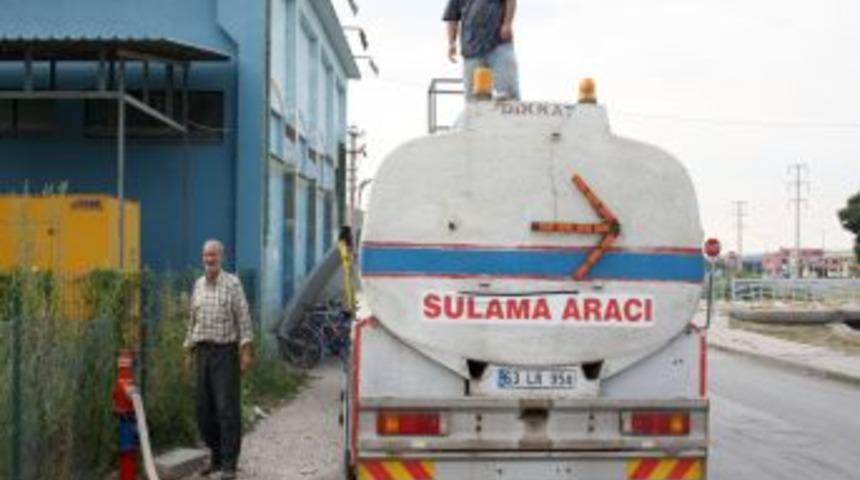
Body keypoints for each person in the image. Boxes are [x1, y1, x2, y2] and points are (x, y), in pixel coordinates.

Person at [184, 239, 254, 480]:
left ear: (221, 257)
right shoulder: (198, 285)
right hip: (203, 352)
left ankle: (229, 464)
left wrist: (246, 350)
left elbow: (243, 317)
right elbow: (192, 320)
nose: (209, 259)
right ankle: (214, 457)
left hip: (225, 354)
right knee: (204, 411)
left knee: (226, 410)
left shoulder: (232, 284)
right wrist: (188, 350)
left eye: (213, 255)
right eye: (206, 255)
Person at [444, 0, 520, 101]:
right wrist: (451, 43)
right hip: (471, 49)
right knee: (474, 98)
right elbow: (452, 17)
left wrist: (507, 23)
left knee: (507, 93)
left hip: (498, 43)